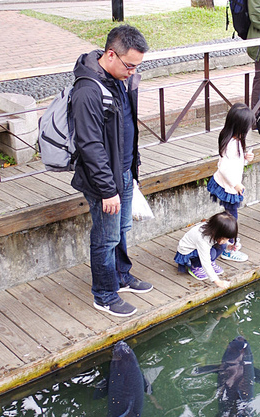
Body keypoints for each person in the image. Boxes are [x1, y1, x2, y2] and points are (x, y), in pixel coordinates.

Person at [70, 24, 152, 318]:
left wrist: (133, 166)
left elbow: (126, 126)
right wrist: (108, 189)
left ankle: (121, 275)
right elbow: (90, 145)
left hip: (124, 172)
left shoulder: (118, 78)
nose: (132, 72)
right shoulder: (88, 91)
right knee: (105, 238)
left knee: (121, 231)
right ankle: (104, 294)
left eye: (137, 66)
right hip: (105, 182)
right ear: (111, 55)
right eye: (130, 65)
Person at [207, 104, 255, 263]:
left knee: (230, 215)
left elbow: (233, 163)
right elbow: (225, 168)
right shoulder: (232, 144)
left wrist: (244, 157)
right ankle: (228, 246)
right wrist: (236, 184)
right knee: (231, 217)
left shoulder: (233, 139)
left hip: (227, 185)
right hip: (229, 187)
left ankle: (227, 241)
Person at [175, 212, 237, 289]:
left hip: (200, 248)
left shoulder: (213, 229)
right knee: (211, 254)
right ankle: (195, 266)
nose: (226, 240)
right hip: (187, 253)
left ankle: (210, 262)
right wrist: (217, 281)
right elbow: (206, 261)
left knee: (223, 245)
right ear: (217, 233)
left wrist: (228, 245)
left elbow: (221, 241)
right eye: (225, 238)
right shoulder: (202, 239)